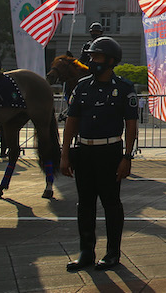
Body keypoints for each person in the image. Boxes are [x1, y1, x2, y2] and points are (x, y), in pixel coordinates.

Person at [60, 36, 138, 272]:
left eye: (97, 57)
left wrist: (127, 157)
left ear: (111, 60)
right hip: (84, 151)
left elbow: (131, 125)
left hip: (110, 151)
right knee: (84, 203)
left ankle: (112, 252)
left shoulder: (123, 88)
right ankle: (86, 252)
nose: (92, 61)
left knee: (111, 203)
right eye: (91, 56)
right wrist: (65, 155)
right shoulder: (82, 86)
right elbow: (71, 122)